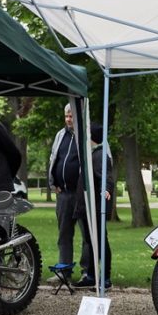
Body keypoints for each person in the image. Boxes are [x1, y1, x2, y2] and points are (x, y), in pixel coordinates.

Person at [47, 103, 87, 282]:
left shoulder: (86, 136)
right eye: (67, 116)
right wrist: (52, 182)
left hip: (82, 195)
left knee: (87, 235)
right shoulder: (60, 135)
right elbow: (53, 158)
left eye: (72, 116)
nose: (69, 120)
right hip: (63, 194)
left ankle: (88, 273)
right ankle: (64, 272)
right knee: (64, 234)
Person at [73, 124, 114, 290]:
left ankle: (105, 278)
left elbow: (106, 177)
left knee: (100, 242)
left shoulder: (100, 156)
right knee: (91, 242)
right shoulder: (93, 154)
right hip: (87, 207)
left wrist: (106, 189)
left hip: (95, 208)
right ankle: (91, 275)